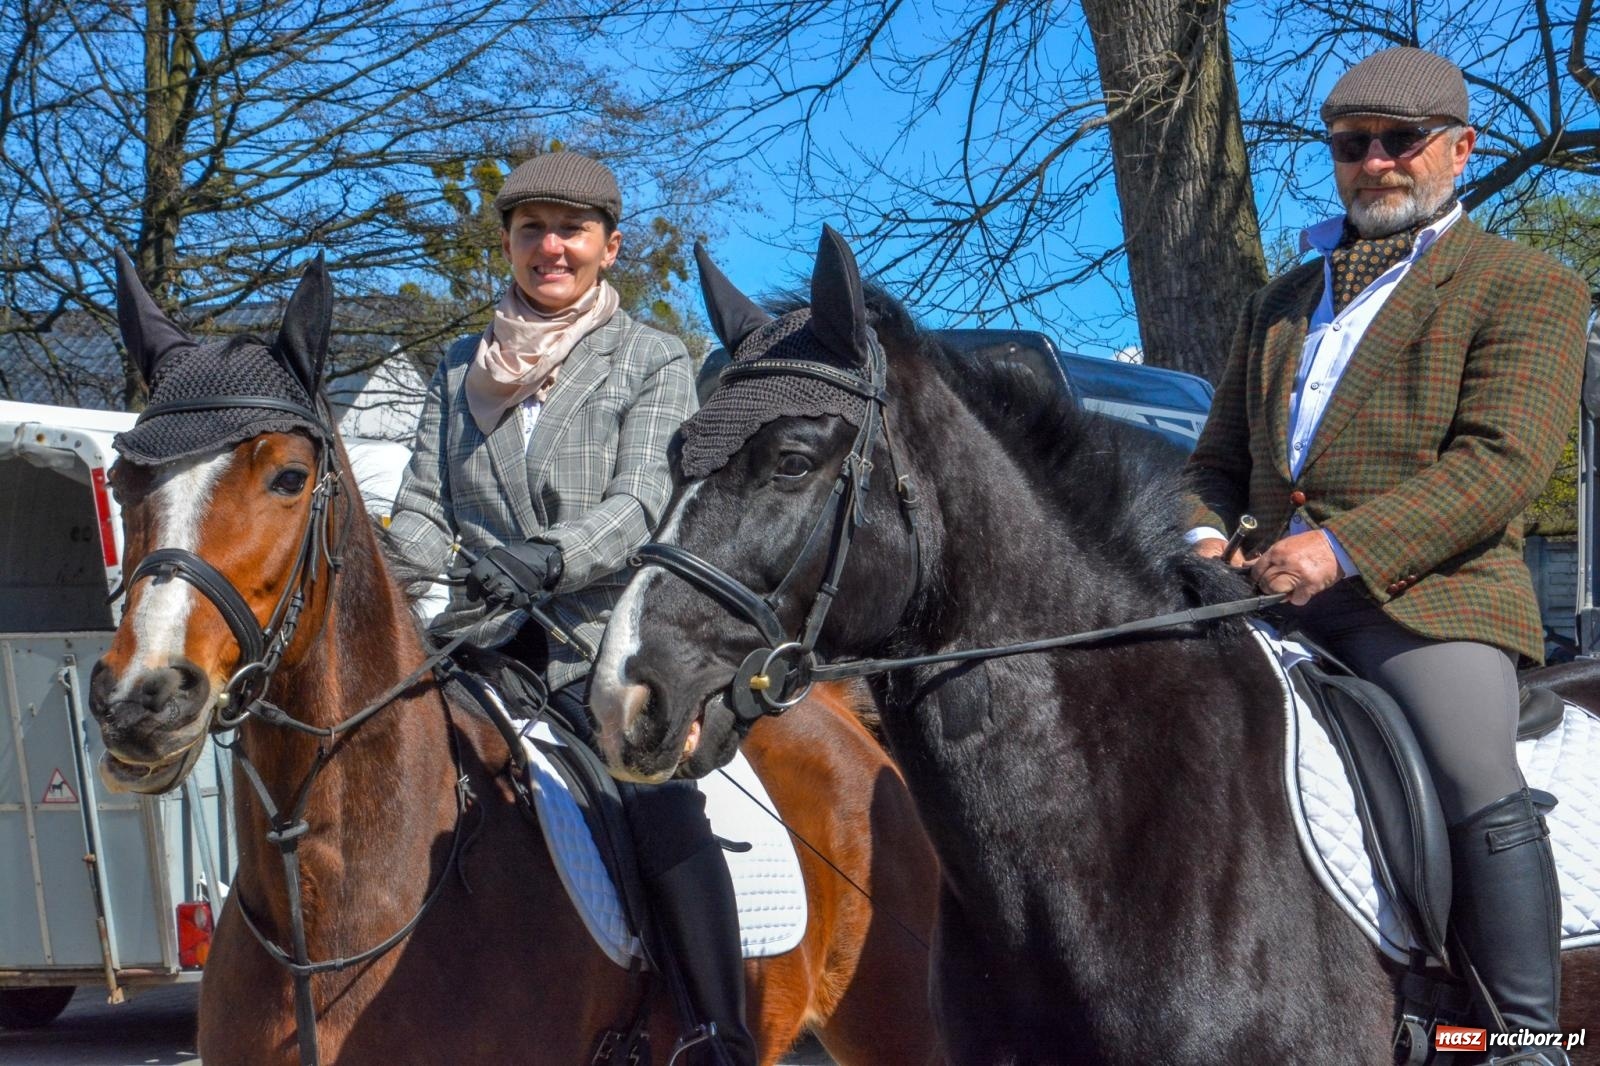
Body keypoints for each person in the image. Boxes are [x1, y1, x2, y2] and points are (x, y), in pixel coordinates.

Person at [1185, 47, 1588, 1065]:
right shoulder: (1277, 302)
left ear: (1459, 148)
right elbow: (1215, 464)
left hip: (1429, 599)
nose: (1374, 162)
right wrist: (1201, 537)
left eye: (1398, 142)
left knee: (1469, 768)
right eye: (1350, 145)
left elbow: (1498, 463)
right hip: (1262, 598)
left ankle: (1520, 1036)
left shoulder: (1525, 284)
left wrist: (1342, 548)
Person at [386, 151, 754, 1066]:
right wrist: (374, 586)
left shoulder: (652, 359)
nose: (550, 247)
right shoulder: (454, 369)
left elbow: (642, 501)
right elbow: (427, 510)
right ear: (507, 246)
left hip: (600, 644)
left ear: (608, 247)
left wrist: (545, 559)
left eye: (571, 230)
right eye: (530, 231)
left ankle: (714, 1029)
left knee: (652, 800)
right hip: (477, 641)